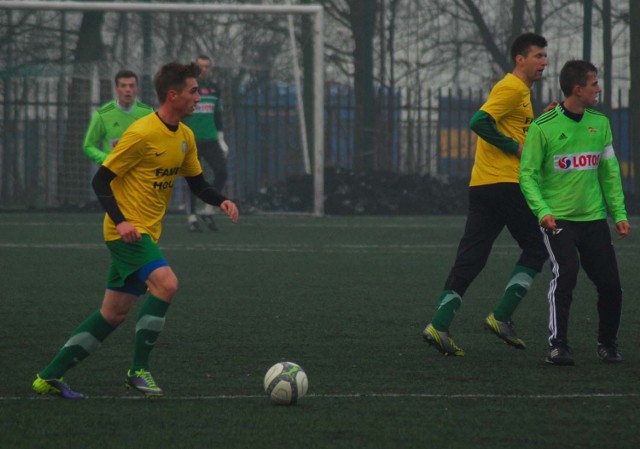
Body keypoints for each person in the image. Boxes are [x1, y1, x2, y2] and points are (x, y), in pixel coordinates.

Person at [32, 62, 240, 399]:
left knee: (113, 314)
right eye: (192, 91)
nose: (197, 98)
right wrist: (122, 220)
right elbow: (100, 180)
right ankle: (138, 371)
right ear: (172, 95)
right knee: (167, 284)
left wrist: (222, 200)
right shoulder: (142, 133)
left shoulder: (185, 136)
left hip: (145, 233)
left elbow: (198, 184)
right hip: (125, 232)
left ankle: (49, 376)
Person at [422, 33, 552, 356]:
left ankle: (438, 324)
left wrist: (541, 122)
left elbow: (520, 133)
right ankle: (502, 316)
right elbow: (479, 121)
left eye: (545, 57)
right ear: (520, 59)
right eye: (538, 56)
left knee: (472, 255)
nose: (544, 62)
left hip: (483, 184)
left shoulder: (521, 93)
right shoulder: (511, 87)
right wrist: (515, 148)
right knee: (537, 247)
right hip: (505, 184)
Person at [519, 60, 629, 366]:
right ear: (578, 89)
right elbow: (527, 176)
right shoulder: (543, 127)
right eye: (594, 83)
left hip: (593, 219)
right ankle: (558, 345)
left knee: (610, 285)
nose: (598, 88)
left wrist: (618, 213)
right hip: (558, 219)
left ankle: (607, 344)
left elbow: (609, 173)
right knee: (565, 274)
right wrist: (542, 211)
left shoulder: (600, 124)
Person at [183, 55, 229, 232]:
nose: (204, 70)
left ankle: (208, 210)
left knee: (222, 171)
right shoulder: (186, 88)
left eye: (207, 67)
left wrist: (221, 139)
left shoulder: (214, 89)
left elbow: (218, 115)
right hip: (191, 140)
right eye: (201, 66)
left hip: (210, 139)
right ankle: (192, 217)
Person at [82, 69, 153, 164]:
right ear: (116, 89)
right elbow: (88, 146)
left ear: (137, 89)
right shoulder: (103, 114)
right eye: (123, 86)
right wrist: (107, 160)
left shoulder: (147, 113)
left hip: (139, 175)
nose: (128, 90)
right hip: (114, 175)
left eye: (131, 86)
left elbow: (156, 142)